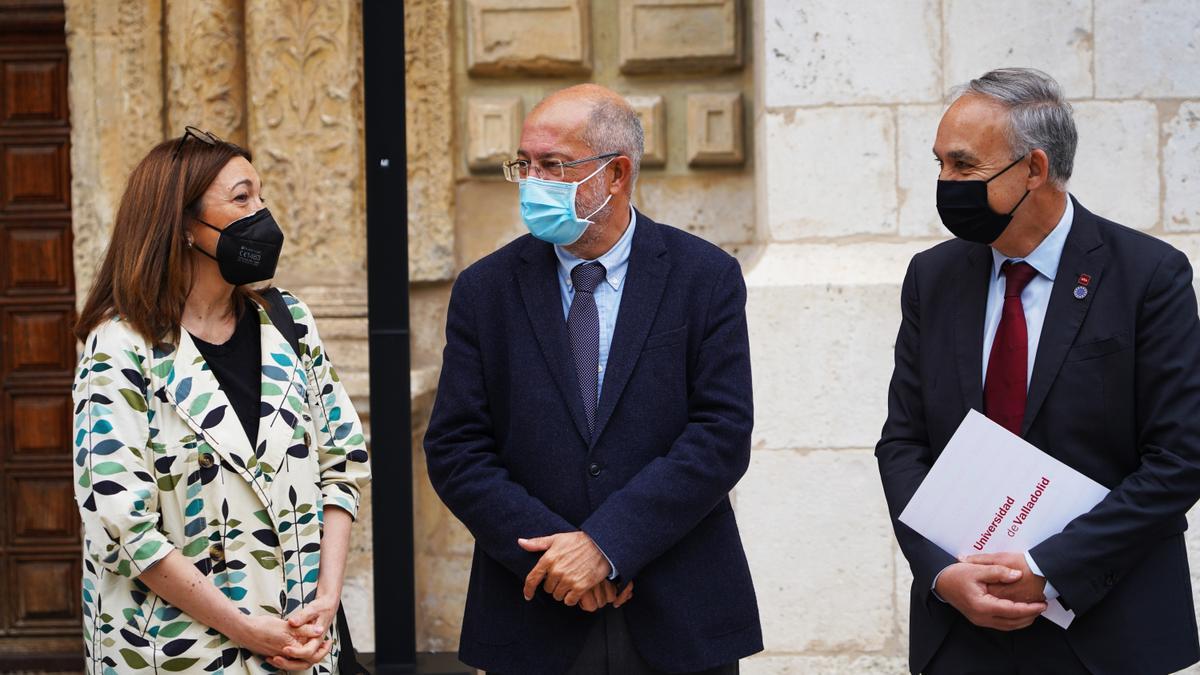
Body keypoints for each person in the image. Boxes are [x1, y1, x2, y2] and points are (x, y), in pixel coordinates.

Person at [423, 84, 762, 675]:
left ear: (616, 174)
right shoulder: (485, 290)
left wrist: (608, 546)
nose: (532, 181)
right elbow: (456, 449)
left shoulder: (704, 276)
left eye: (553, 165)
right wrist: (562, 559)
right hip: (532, 613)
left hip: (677, 611)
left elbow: (720, 435)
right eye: (524, 163)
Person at [876, 67, 1200, 674]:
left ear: (1034, 169)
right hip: (962, 635)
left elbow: (1181, 458)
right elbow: (903, 442)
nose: (946, 183)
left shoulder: (1148, 276)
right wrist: (942, 573)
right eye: (939, 164)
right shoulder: (932, 278)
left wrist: (1049, 569)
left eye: (964, 166)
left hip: (1107, 634)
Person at [71, 127, 371, 674]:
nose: (262, 213)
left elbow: (342, 464)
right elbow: (122, 525)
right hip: (175, 652)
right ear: (184, 224)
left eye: (261, 195)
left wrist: (325, 602)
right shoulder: (120, 347)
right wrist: (247, 630)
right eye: (241, 198)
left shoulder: (289, 322)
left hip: (301, 645)